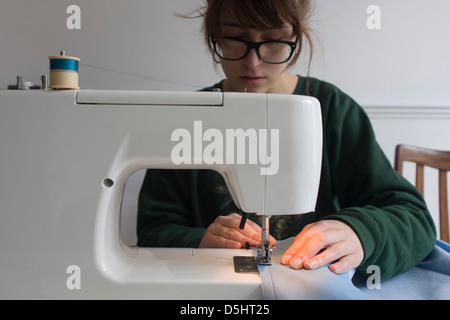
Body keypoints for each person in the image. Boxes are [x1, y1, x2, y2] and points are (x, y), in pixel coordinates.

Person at [137, 0, 436, 282]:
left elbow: (413, 217)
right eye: (235, 39)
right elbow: (153, 229)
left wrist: (361, 232)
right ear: (214, 36)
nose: (253, 63)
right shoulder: (187, 119)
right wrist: (197, 240)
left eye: (274, 41)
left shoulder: (334, 110)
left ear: (296, 36)